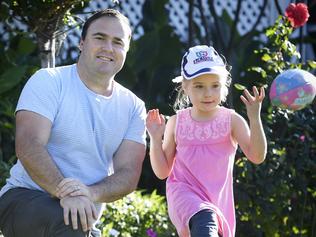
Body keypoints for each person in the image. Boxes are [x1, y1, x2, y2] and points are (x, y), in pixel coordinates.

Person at [0, 9, 146, 237]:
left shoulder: (133, 106)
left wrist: (89, 193)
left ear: (126, 50)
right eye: (99, 38)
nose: (108, 48)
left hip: (79, 215)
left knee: (74, 223)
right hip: (24, 198)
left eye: (117, 42)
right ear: (81, 43)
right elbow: (29, 145)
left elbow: (128, 174)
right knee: (71, 223)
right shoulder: (49, 81)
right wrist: (66, 192)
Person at [146, 45, 267, 237]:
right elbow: (162, 172)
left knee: (209, 221)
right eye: (199, 86)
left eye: (215, 85)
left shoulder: (232, 121)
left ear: (224, 85)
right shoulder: (177, 122)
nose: (208, 93)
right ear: (185, 87)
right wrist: (154, 137)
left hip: (218, 202)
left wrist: (254, 118)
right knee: (205, 218)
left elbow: (257, 156)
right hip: (183, 194)